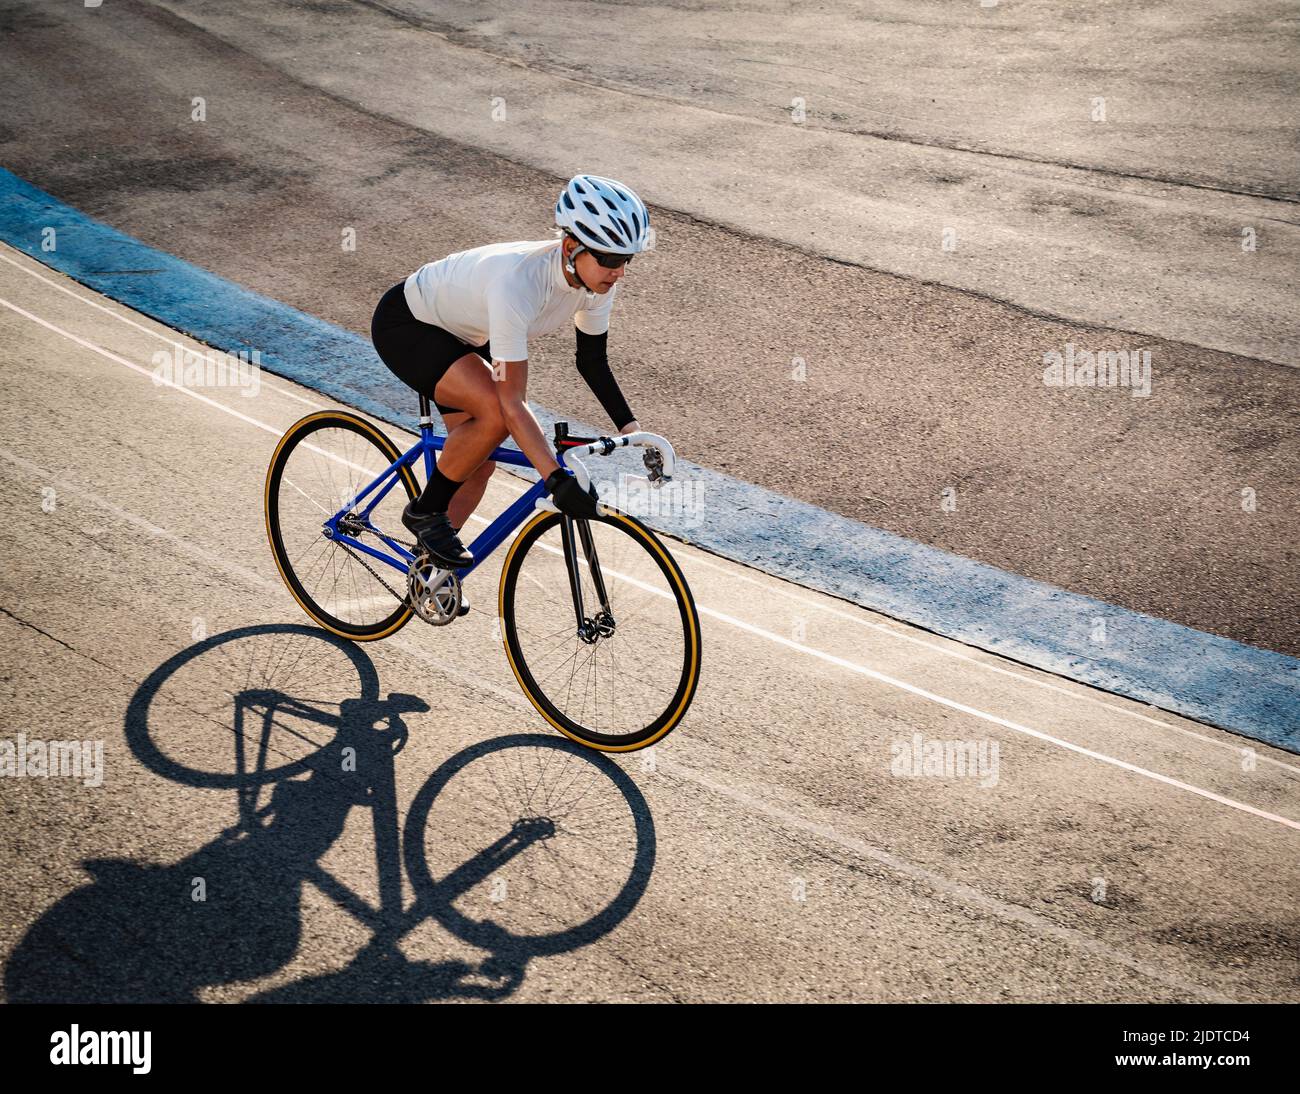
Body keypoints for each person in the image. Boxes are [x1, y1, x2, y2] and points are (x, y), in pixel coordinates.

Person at [370, 173, 650, 580]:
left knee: (478, 461)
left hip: (469, 330)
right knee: (496, 415)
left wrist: (632, 432)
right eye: (609, 258)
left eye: (627, 260)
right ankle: (425, 511)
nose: (619, 271)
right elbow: (511, 404)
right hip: (410, 324)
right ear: (571, 248)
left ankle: (426, 572)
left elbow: (592, 361)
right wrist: (554, 478)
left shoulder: (598, 285)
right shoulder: (518, 284)